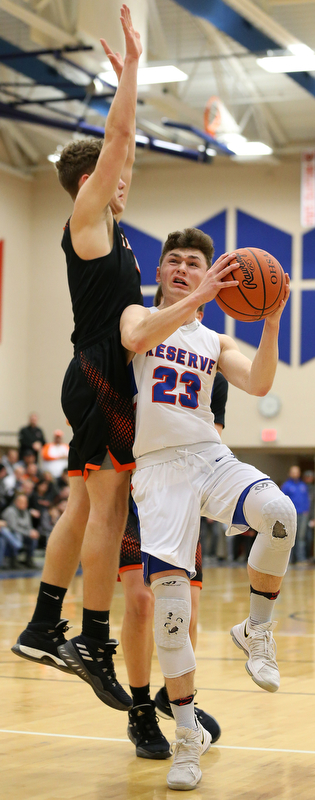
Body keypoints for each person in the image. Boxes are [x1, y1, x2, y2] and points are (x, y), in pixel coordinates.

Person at [118, 226, 296, 790]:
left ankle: (256, 630)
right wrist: (200, 296)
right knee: (170, 614)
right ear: (161, 272)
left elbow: (261, 379)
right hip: (158, 472)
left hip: (206, 453)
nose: (182, 268)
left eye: (195, 263)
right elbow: (136, 336)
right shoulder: (135, 317)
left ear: (210, 273)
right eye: (173, 261)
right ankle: (187, 737)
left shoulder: (215, 342)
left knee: (279, 512)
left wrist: (269, 320)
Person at [12, 5, 143, 712]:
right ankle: (92, 637)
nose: (127, 176)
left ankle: (40, 624)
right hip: (97, 374)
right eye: (116, 172)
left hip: (91, 371)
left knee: (79, 505)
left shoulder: (111, 227)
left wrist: (126, 85)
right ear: (91, 183)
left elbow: (126, 145)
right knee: (107, 506)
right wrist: (132, 70)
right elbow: (119, 136)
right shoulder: (87, 216)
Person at [120, 367, 226, 760]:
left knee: (188, 613)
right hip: (134, 496)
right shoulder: (138, 352)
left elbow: (215, 438)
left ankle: (177, 697)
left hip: (182, 499)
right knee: (142, 604)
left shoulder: (214, 365)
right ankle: (141, 707)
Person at [2, 493, 39, 568]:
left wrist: (32, 531)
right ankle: (14, 560)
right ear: (16, 502)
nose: (24, 504)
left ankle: (29, 559)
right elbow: (13, 527)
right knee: (17, 535)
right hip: (12, 533)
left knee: (34, 537)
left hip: (23, 534)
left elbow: (29, 526)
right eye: (21, 502)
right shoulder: (10, 511)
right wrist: (28, 533)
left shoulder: (26, 512)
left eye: (25, 502)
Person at [281, 465, 310, 562]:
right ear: (290, 473)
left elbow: (306, 499)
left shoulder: (303, 485)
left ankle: (301, 559)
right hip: (291, 515)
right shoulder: (286, 486)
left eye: (297, 472)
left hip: (303, 514)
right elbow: (282, 500)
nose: (295, 474)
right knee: (289, 537)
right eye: (293, 472)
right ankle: (288, 560)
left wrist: (306, 510)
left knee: (301, 538)